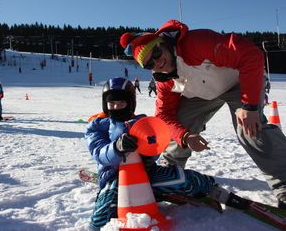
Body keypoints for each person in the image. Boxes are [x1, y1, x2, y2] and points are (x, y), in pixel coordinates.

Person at [119, 19, 286, 209]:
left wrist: (250, 107)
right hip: (203, 94)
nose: (157, 62)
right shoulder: (164, 80)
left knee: (249, 129)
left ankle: (284, 184)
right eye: (149, 63)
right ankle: (170, 174)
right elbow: (164, 116)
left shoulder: (195, 43)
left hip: (239, 81)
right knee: (179, 124)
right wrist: (185, 136)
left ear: (164, 44)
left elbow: (250, 55)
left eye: (156, 53)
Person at [85, 77, 248, 229]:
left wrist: (149, 156)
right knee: (100, 218)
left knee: (180, 176)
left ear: (130, 103)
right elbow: (99, 152)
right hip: (115, 178)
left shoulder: (142, 122)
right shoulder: (98, 126)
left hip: (147, 174)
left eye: (121, 103)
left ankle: (210, 189)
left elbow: (155, 147)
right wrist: (116, 147)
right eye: (111, 103)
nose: (116, 107)